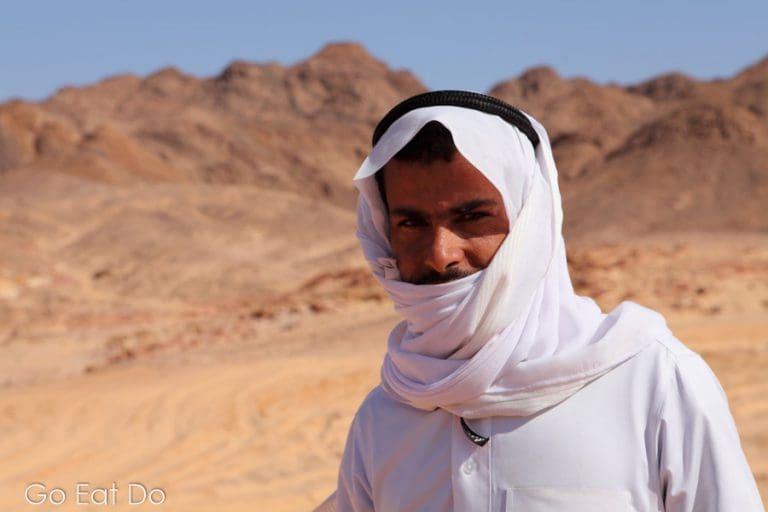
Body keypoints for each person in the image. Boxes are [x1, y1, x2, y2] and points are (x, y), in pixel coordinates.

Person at [315, 91, 764, 511]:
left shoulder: (655, 382)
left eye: (471, 217)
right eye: (412, 223)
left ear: (531, 223)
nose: (440, 254)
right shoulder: (384, 417)